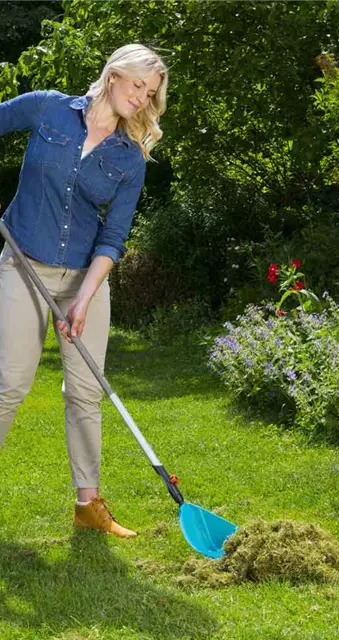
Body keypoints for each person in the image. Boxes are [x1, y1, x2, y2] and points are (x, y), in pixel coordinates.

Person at [0, 43, 168, 537]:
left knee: (86, 393)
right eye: (137, 84)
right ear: (113, 75)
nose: (142, 98)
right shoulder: (49, 107)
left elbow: (113, 237)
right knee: (8, 387)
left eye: (150, 93)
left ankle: (87, 504)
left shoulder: (129, 157)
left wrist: (85, 297)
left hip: (84, 276)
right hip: (23, 263)